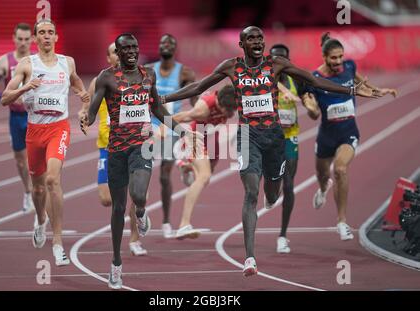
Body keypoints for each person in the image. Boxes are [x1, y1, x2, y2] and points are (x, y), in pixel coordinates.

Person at [161, 26, 379, 277]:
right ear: (242, 44)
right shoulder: (231, 66)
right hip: (248, 136)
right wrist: (163, 100)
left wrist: (350, 90)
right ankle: (250, 258)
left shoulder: (275, 64)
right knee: (250, 192)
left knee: (273, 191)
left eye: (259, 38)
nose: (256, 41)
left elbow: (313, 79)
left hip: (274, 137)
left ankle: (272, 194)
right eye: (250, 38)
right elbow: (199, 86)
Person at [83, 33, 198, 289]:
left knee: (140, 196)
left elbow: (157, 107)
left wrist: (181, 131)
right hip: (116, 150)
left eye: (135, 47)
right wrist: (86, 120)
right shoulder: (107, 77)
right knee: (117, 208)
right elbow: (92, 111)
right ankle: (115, 263)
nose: (132, 51)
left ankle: (143, 213)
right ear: (119, 52)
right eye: (126, 48)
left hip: (142, 146)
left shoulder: (148, 75)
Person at [1, 19, 90, 266]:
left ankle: (58, 241)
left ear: (56, 37)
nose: (47, 36)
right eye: (42, 33)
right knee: (38, 189)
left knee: (53, 179)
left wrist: (83, 104)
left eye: (51, 32)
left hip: (58, 129)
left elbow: (78, 83)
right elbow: (5, 98)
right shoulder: (27, 65)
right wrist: (25, 87)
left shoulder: (66, 62)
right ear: (35, 39)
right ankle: (41, 220)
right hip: (34, 131)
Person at [300, 32, 397, 241]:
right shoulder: (315, 79)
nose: (338, 61)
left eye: (340, 56)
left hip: (348, 133)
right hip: (326, 135)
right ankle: (323, 189)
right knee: (323, 176)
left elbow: (363, 84)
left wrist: (380, 91)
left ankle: (342, 221)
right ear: (324, 57)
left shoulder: (350, 67)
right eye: (333, 58)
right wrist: (311, 108)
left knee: (341, 169)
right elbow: (312, 110)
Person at [88, 42, 147, 256]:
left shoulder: (138, 78)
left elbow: (147, 106)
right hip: (108, 145)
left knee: (134, 192)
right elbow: (88, 108)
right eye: (114, 52)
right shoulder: (100, 80)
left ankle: (134, 239)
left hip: (134, 143)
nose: (118, 54)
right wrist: (83, 116)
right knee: (107, 198)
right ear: (109, 58)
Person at [268, 44, 319, 253]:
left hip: (289, 138)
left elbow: (314, 113)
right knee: (273, 186)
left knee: (288, 185)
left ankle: (282, 235)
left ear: (288, 63)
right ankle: (270, 191)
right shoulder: (262, 82)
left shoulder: (296, 81)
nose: (278, 64)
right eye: (274, 60)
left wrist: (311, 108)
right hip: (267, 139)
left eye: (283, 60)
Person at [146, 34, 197, 238]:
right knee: (140, 170)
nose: (165, 45)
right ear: (158, 47)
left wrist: (203, 113)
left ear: (175, 49)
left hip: (170, 125)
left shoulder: (184, 72)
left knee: (164, 174)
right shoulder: (149, 70)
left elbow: (195, 101)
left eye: (170, 43)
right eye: (162, 42)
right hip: (149, 125)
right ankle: (141, 211)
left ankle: (166, 221)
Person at [172, 84, 237, 239]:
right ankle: (183, 225)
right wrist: (161, 130)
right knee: (204, 176)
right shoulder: (203, 110)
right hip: (194, 136)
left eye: (233, 111)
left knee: (207, 176)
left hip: (209, 136)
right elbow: (176, 118)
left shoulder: (230, 100)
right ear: (219, 104)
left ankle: (185, 166)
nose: (230, 114)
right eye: (228, 111)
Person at [0, 23, 34, 212]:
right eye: (19, 39)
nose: (23, 43)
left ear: (32, 40)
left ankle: (41, 191)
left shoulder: (36, 60)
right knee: (21, 160)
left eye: (26, 39)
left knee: (40, 158)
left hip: (35, 116)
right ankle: (28, 192)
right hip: (16, 117)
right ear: (14, 39)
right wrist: (9, 96)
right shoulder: (4, 61)